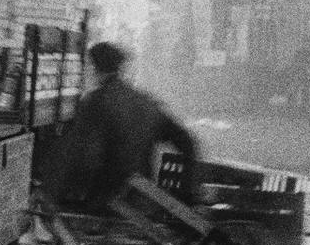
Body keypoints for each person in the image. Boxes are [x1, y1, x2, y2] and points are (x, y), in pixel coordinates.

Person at [42, 41, 202, 210]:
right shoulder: (144, 102)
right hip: (142, 202)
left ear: (94, 68)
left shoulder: (95, 103)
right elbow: (187, 142)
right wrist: (187, 194)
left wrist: (51, 194)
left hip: (104, 204)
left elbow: (77, 154)